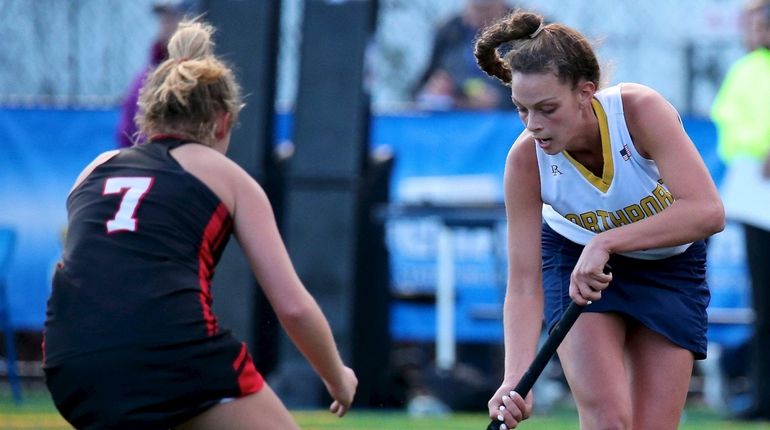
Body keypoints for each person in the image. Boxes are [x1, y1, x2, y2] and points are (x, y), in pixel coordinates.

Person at [43, 20, 357, 430]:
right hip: (169, 354)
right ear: (224, 121)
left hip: (71, 361)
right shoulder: (228, 177)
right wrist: (338, 377)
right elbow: (293, 306)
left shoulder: (94, 170)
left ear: (150, 116)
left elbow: (75, 267)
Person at [473, 10, 725, 429]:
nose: (534, 125)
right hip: (574, 262)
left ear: (585, 92)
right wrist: (515, 378)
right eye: (522, 110)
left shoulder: (639, 112)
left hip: (668, 266)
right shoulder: (524, 162)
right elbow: (522, 282)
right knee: (609, 421)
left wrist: (607, 242)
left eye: (547, 108)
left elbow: (706, 211)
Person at [710, 0, 770, 420]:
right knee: (764, 305)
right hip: (757, 198)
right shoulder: (746, 71)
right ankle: (764, 396)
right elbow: (730, 127)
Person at [413, 0, 513, 110]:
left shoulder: (525, 31)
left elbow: (533, 92)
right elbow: (418, 89)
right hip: (456, 121)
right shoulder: (448, 32)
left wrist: (501, 101)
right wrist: (434, 91)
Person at [115, 0, 189, 148]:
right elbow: (125, 133)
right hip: (149, 162)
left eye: (173, 17)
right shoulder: (146, 77)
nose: (166, 24)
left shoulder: (200, 78)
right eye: (163, 18)